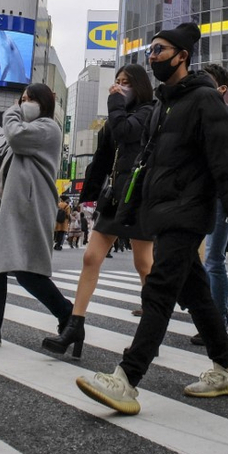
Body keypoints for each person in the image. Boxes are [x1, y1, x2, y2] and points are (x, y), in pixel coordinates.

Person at [75, 22, 228, 415]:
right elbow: (147, 163)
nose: (152, 58)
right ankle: (226, 368)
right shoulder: (163, 104)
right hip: (162, 211)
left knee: (158, 290)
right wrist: (131, 207)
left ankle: (127, 378)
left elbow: (227, 164)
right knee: (196, 293)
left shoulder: (206, 101)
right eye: (149, 53)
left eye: (158, 51)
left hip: (188, 211)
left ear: (182, 56)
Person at [42, 64, 156, 357]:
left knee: (144, 264)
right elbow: (103, 157)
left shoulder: (148, 112)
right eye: (116, 82)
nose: (118, 87)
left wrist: (115, 104)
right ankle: (74, 326)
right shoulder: (116, 117)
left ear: (140, 86)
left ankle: (150, 333)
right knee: (91, 257)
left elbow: (127, 132)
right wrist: (87, 193)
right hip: (114, 197)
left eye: (125, 83)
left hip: (139, 197)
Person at [0, 85, 74, 348]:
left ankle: (68, 315)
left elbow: (17, 138)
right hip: (5, 207)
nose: (24, 103)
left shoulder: (47, 128)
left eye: (30, 99)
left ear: (44, 102)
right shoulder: (28, 129)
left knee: (26, 271)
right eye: (22, 99)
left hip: (26, 209)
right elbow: (12, 162)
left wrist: (12, 111)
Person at [195, 63, 228, 338]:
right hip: (194, 194)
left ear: (222, 88)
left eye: (206, 80)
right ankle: (222, 305)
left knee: (214, 258)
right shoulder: (192, 114)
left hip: (218, 195)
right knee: (191, 259)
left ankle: (218, 321)